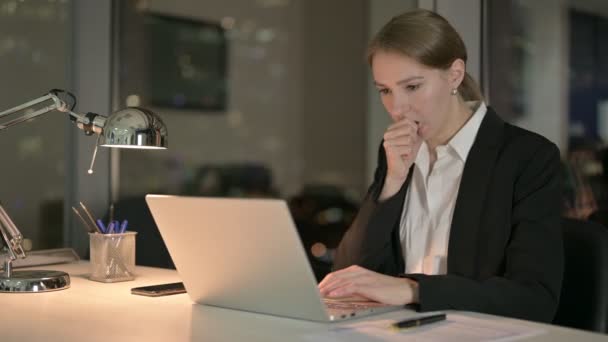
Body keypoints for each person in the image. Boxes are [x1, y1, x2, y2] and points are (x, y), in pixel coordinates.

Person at [318, 9, 563, 323]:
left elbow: (534, 298)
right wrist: (392, 182)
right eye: (385, 91)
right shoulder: (396, 154)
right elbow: (347, 276)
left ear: (454, 75)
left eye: (412, 86)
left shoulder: (527, 157)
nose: (397, 108)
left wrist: (413, 290)